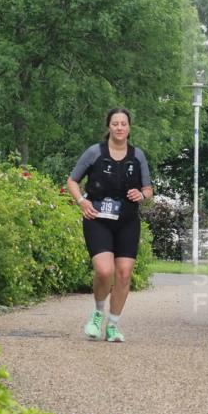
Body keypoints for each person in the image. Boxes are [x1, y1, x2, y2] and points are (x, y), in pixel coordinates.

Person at [66, 108, 153, 343]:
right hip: (97, 219)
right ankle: (97, 313)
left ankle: (113, 325)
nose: (119, 128)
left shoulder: (138, 156)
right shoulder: (95, 152)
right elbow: (72, 180)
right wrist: (82, 201)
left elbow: (148, 189)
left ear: (129, 128)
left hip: (127, 221)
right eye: (115, 124)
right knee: (105, 271)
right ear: (109, 127)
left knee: (124, 274)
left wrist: (142, 195)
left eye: (123, 124)